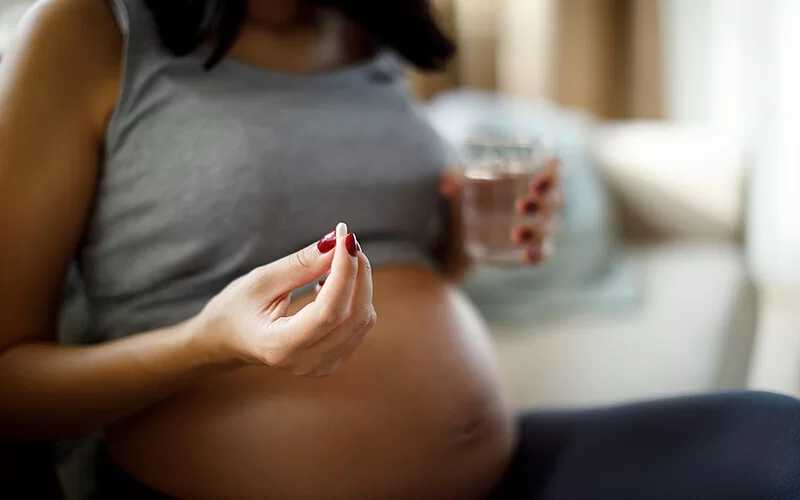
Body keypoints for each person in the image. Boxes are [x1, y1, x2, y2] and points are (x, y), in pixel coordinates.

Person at [0, 0, 797, 499]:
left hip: (492, 470)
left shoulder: (367, 33)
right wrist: (210, 345)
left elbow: (403, 266)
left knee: (773, 440)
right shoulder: (86, 30)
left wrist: (468, 243)